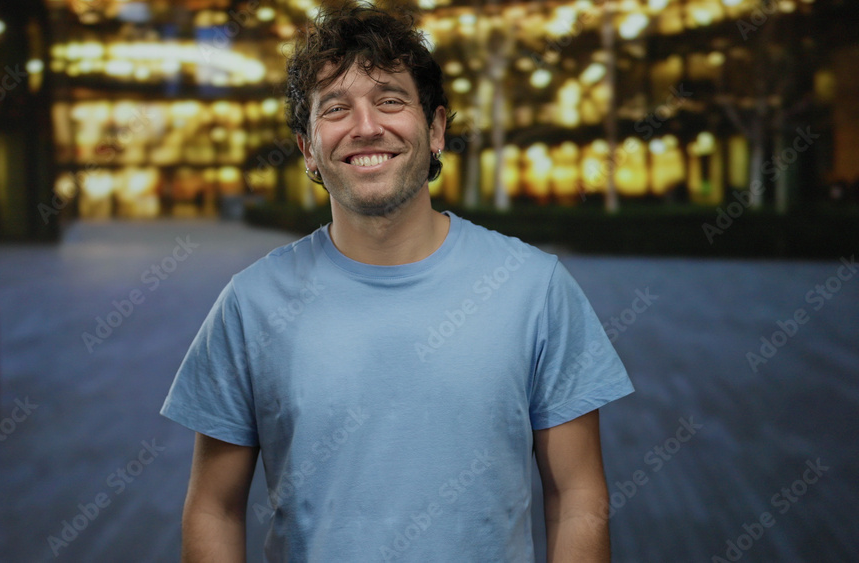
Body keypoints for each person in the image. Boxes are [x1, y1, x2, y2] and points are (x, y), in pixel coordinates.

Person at [161, 5, 634, 562]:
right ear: (308, 149)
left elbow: (577, 496)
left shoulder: (536, 288)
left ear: (435, 130)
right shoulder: (250, 303)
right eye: (335, 108)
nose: (366, 127)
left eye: (389, 100)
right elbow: (213, 508)